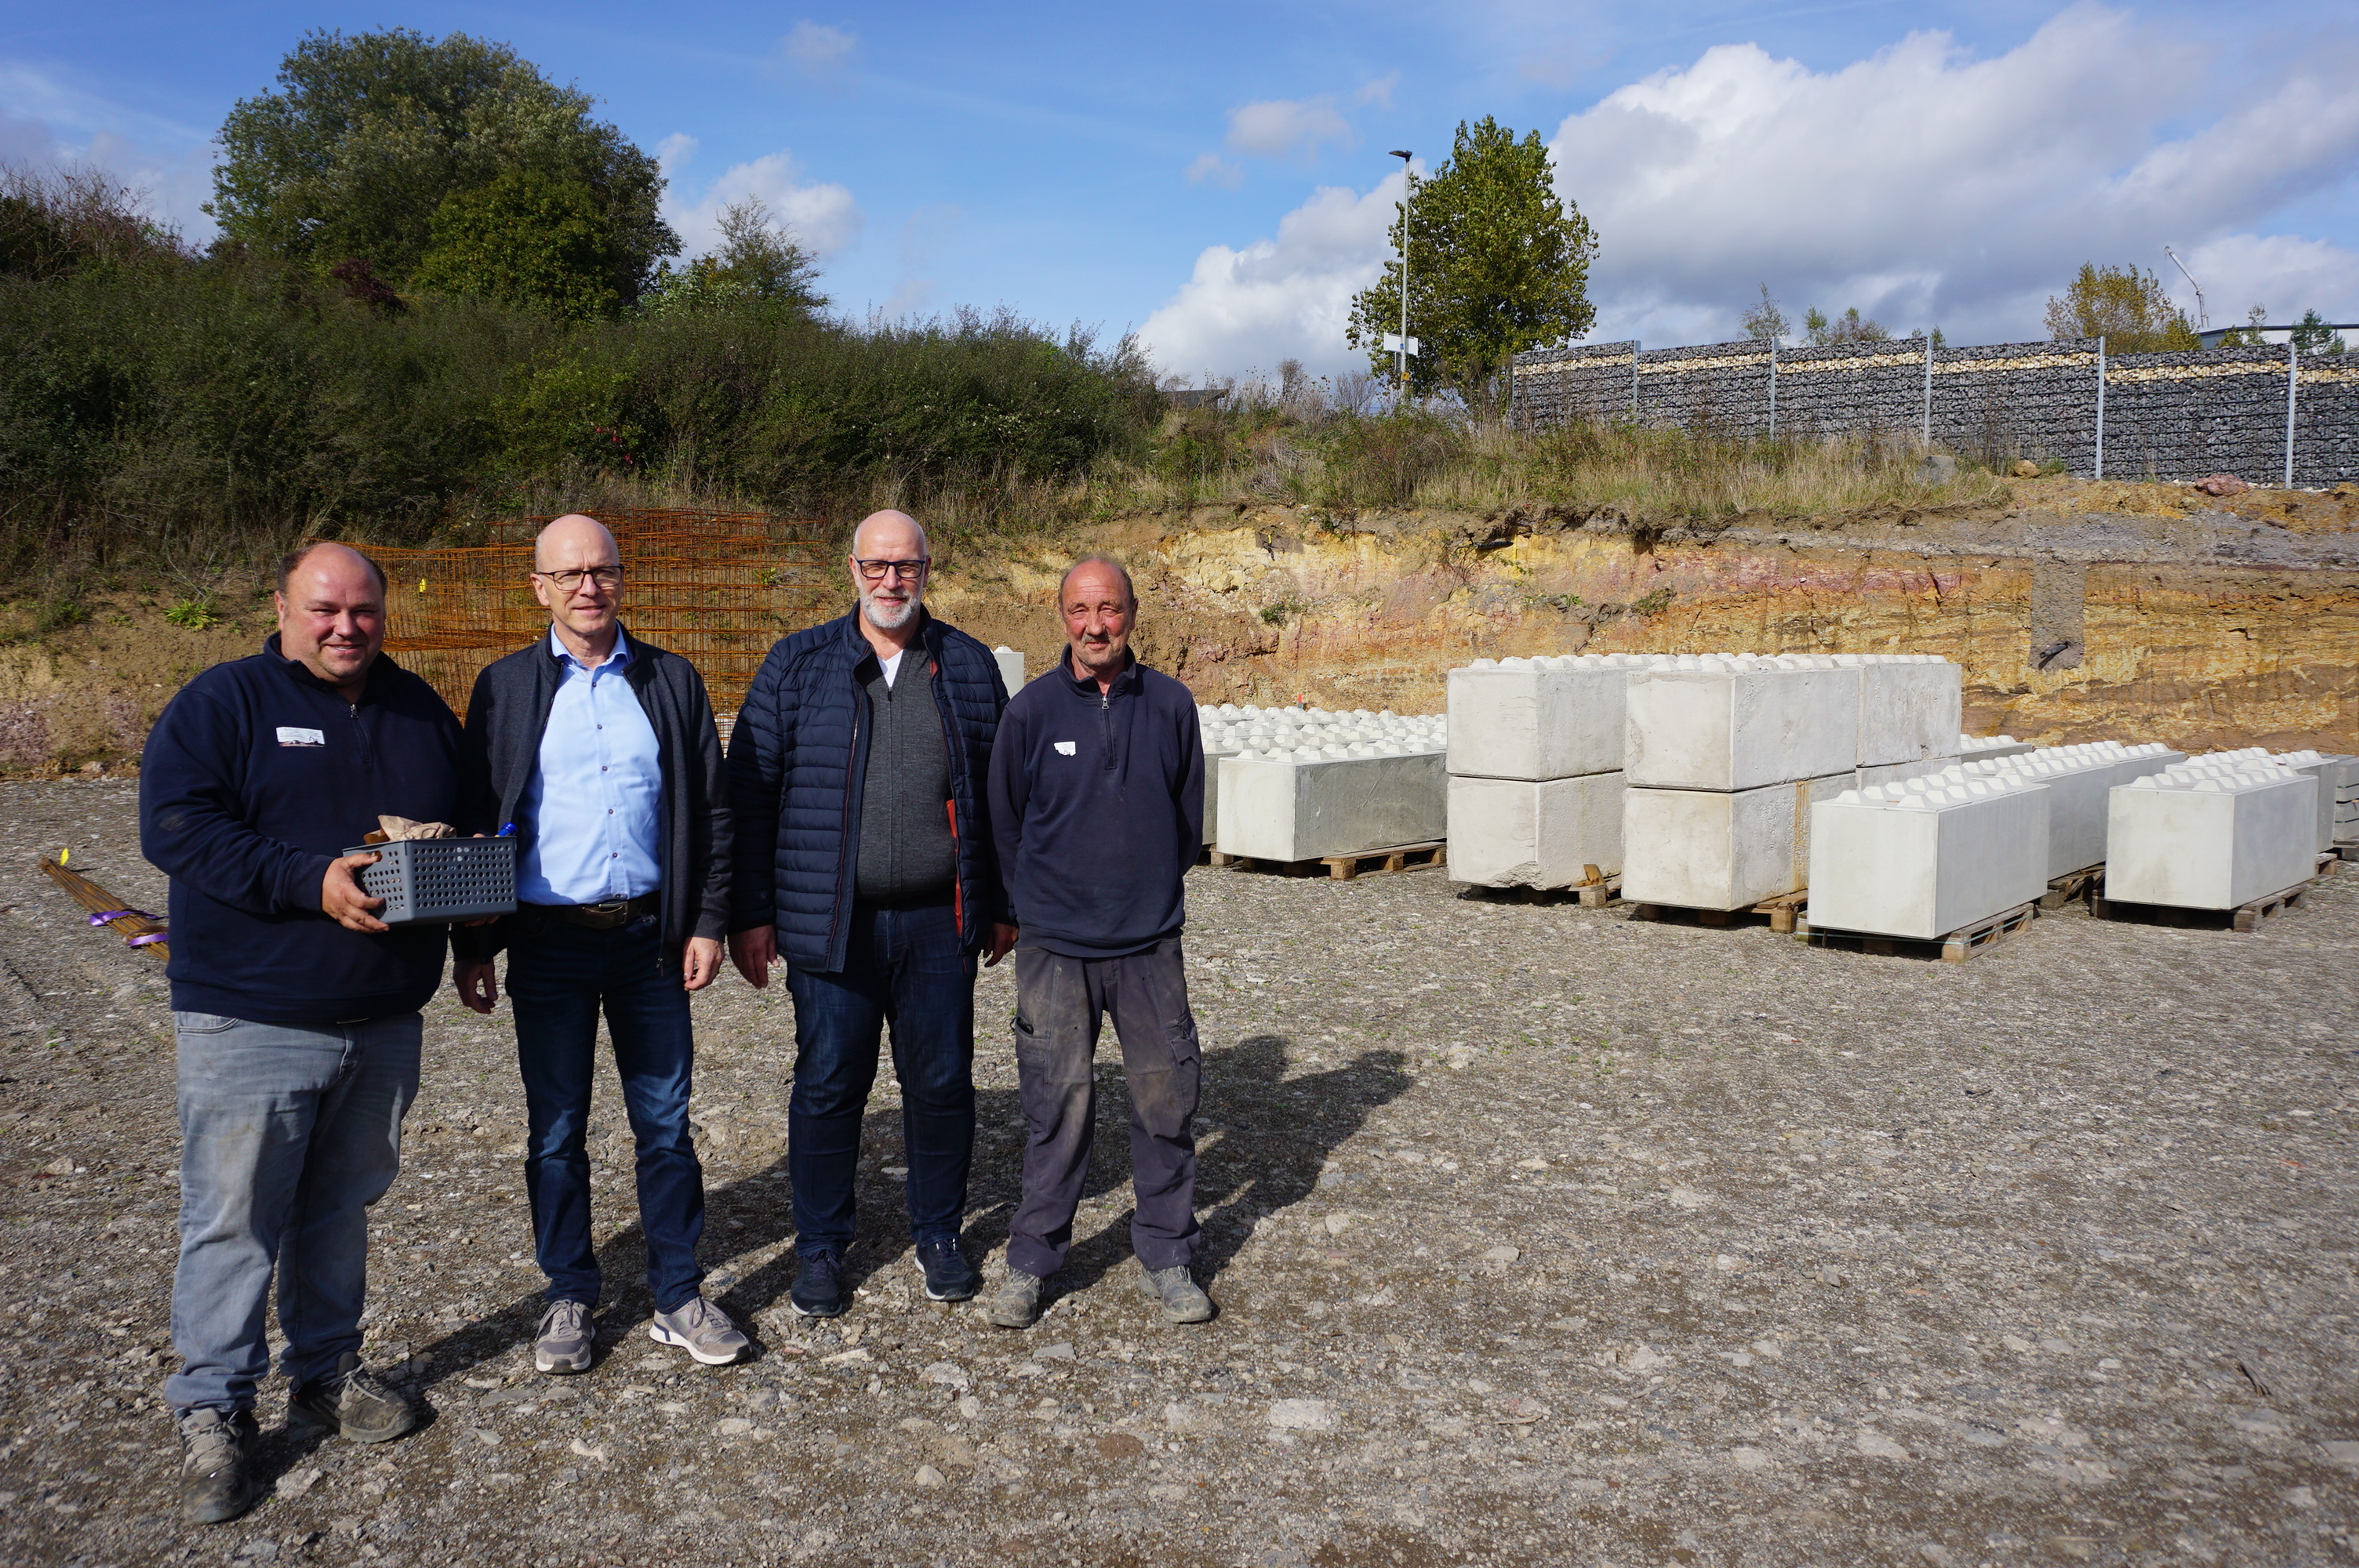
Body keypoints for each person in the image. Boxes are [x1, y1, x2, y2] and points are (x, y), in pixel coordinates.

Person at [140, 543, 470, 1524]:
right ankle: (213, 1407)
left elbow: (459, 829)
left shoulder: (420, 711)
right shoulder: (225, 701)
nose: (345, 626)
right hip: (252, 1012)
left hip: (382, 1016)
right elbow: (176, 824)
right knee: (235, 1216)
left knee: (338, 1208)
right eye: (324, 608)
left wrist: (469, 908)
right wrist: (305, 878)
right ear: (281, 605)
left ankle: (325, 1370)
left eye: (363, 609)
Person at [451, 514, 745, 1374]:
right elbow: (476, 817)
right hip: (548, 944)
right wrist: (472, 946)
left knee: (666, 1127)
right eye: (570, 573)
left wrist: (708, 921)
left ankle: (678, 1294)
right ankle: (570, 1293)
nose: (590, 586)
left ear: (622, 578)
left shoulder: (670, 679)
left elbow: (714, 811)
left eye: (604, 570)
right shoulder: (504, 687)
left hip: (651, 940)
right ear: (538, 587)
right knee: (554, 1132)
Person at [727, 509, 1016, 1317]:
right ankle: (821, 1246)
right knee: (827, 1085)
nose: (892, 580)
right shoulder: (796, 664)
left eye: (907, 565)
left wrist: (1001, 903)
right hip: (832, 921)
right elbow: (749, 793)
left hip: (936, 922)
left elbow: (1001, 794)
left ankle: (938, 1233)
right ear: (851, 568)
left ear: (927, 569)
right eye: (877, 565)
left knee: (942, 1083)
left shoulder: (966, 664)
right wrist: (750, 912)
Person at [983, 554, 1214, 1330]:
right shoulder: (1031, 712)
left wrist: (1141, 891)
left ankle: (1168, 1253)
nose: (1095, 626)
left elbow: (1186, 824)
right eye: (1080, 610)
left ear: (1132, 615)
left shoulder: (1171, 705)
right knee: (1057, 1105)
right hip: (1055, 950)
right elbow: (1005, 823)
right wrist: (1040, 905)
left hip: (1148, 945)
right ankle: (1032, 1260)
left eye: (1109, 609)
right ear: (1062, 617)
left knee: (1165, 1100)